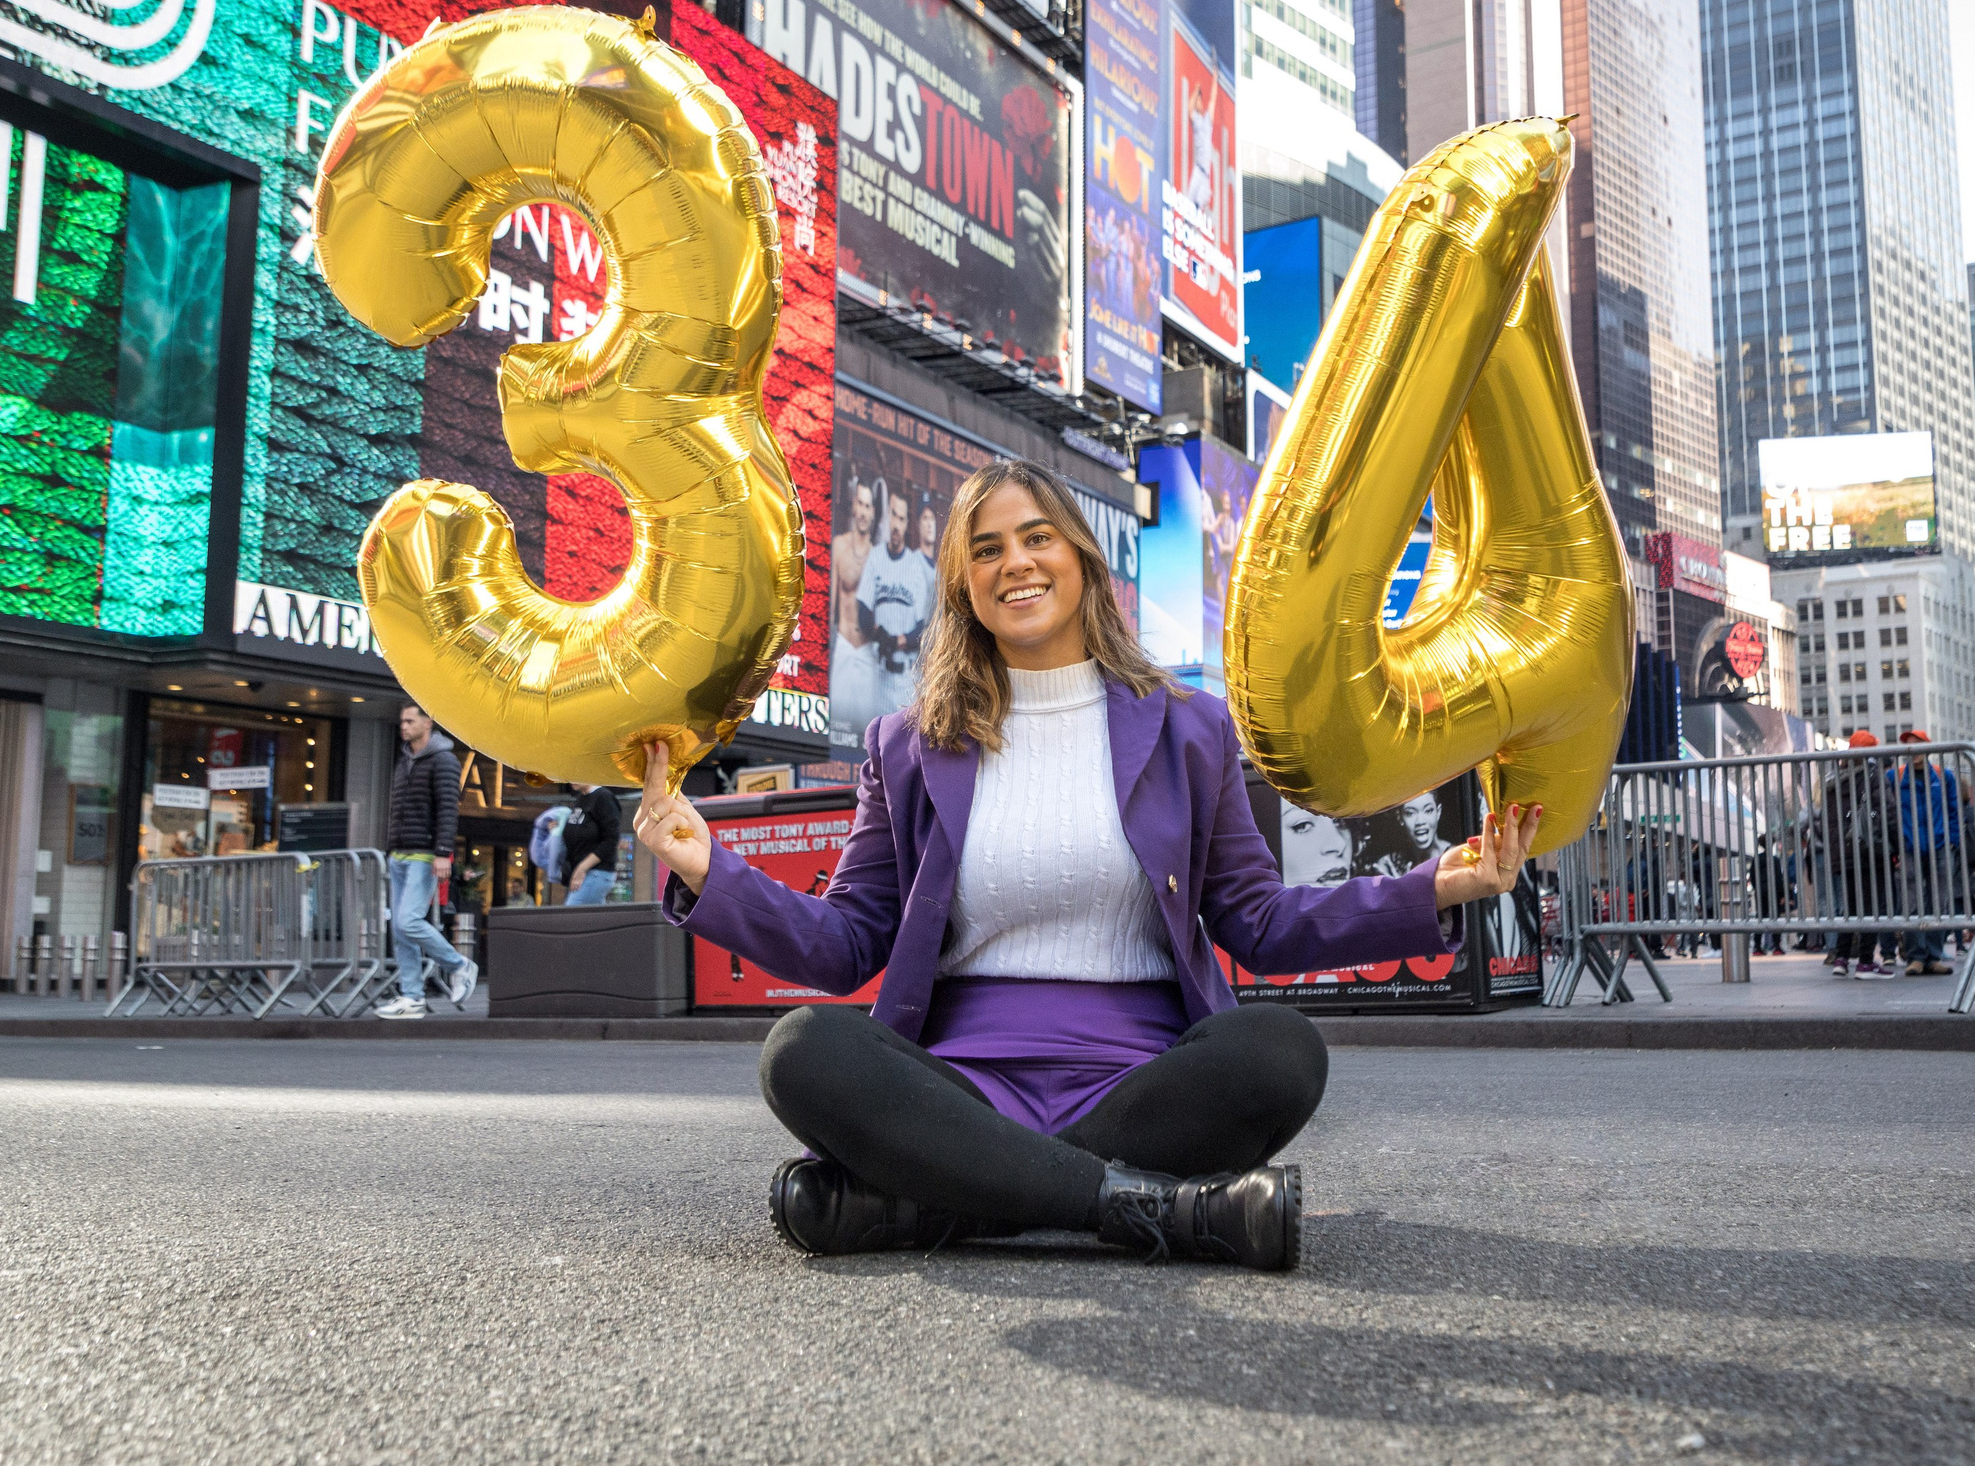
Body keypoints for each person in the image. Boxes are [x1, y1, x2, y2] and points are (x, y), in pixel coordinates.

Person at [634, 459, 1541, 1270]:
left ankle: (939, 1196)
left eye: (1037, 538)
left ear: (1082, 560)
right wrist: (713, 867)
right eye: (985, 550)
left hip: (1142, 1080)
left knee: (1280, 1052)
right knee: (803, 1051)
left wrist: (1435, 887)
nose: (1015, 563)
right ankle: (1145, 1206)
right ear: (961, 585)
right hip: (960, 1084)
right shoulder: (906, 746)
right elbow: (845, 944)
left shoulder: (1191, 728)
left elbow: (1258, 923)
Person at [377, 703, 478, 1019]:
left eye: (410, 721)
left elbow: (449, 809)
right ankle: (412, 997)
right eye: (402, 721)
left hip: (423, 855)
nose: (403, 726)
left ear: (428, 722)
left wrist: (442, 852)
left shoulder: (444, 760)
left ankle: (460, 965)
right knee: (400, 929)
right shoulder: (405, 760)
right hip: (399, 855)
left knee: (409, 920)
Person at [1823, 733, 1897, 979]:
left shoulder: (1834, 779)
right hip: (1868, 850)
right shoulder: (1874, 775)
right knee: (1873, 905)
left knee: (1851, 907)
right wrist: (1896, 844)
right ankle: (1865, 961)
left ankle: (1841, 958)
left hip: (1841, 853)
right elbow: (1887, 811)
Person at [1889, 730, 1963, 975]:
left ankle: (1933, 955)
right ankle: (1915, 957)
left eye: (1916, 745)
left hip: (1939, 846)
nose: (1912, 751)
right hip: (1908, 847)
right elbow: (1888, 813)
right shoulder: (1895, 777)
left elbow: (1954, 810)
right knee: (1911, 903)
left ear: (1927, 749)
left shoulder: (1944, 776)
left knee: (1938, 902)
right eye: (1908, 746)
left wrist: (1951, 840)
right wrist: (1896, 843)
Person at [860, 485, 933, 719]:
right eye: (893, 515)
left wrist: (896, 640)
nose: (896, 524)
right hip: (878, 672)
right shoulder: (875, 557)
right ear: (886, 515)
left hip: (907, 679)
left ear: (906, 524)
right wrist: (881, 636)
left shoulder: (915, 566)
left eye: (901, 518)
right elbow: (862, 612)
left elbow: (922, 629)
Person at [830, 479, 880, 740]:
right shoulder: (839, 545)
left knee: (867, 734)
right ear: (853, 506)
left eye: (868, 506)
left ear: (874, 512)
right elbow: (829, 606)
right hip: (842, 646)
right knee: (836, 725)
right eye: (860, 503)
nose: (863, 511)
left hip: (868, 653)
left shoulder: (879, 555)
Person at [561, 783, 626, 905]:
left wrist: (582, 867)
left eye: (576, 773)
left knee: (570, 918)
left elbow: (611, 840)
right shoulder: (581, 798)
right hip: (581, 871)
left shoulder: (603, 797)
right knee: (587, 920)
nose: (571, 779)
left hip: (597, 871)